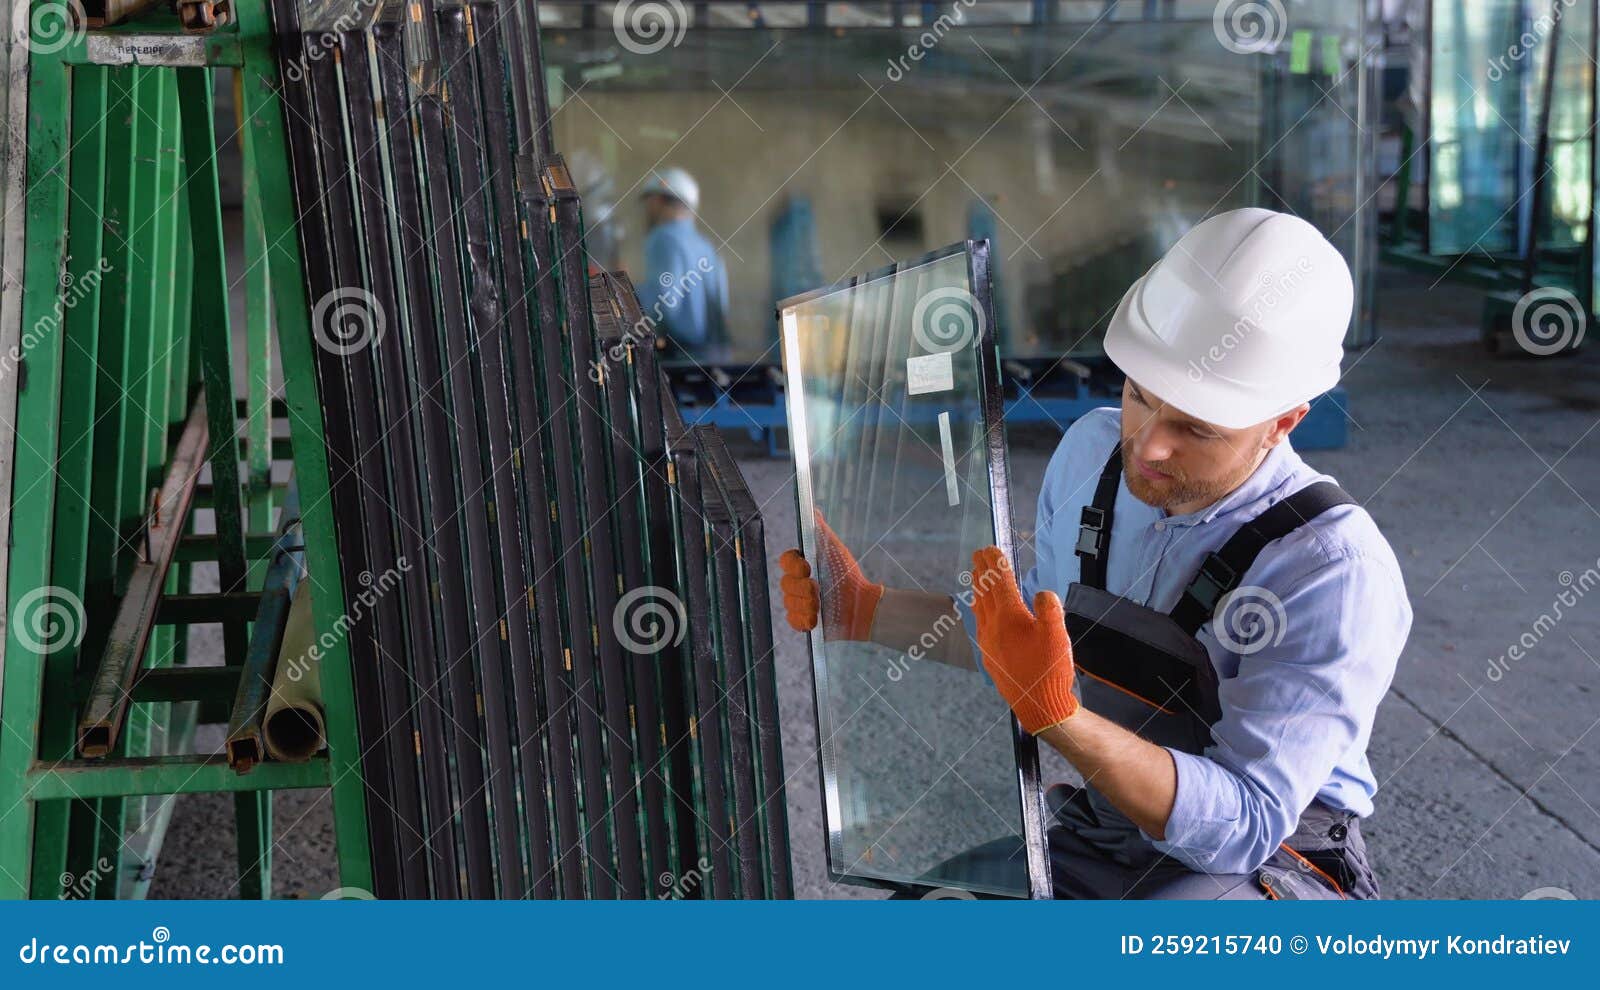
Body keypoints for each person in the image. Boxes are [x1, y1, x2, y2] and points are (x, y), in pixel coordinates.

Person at [779, 209, 1412, 900]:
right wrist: (866, 612)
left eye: (1194, 428)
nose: (1147, 445)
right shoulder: (1091, 455)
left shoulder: (1329, 569)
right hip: (1114, 827)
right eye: (1140, 396)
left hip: (1274, 864)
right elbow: (1025, 643)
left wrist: (1065, 723)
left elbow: (1248, 821)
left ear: (1284, 421)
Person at [638, 167, 729, 359]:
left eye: (649, 202)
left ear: (660, 201)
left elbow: (662, 304)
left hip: (679, 362)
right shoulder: (705, 245)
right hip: (711, 362)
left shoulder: (662, 238)